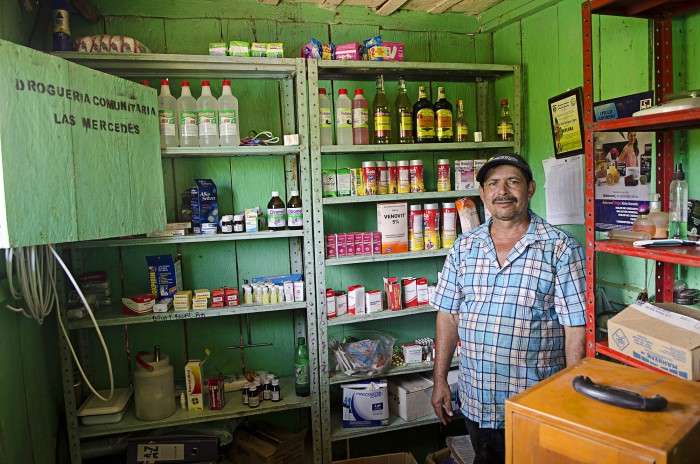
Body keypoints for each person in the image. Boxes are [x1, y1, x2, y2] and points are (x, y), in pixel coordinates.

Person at [430, 153, 586, 464]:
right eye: (493, 183)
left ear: (530, 189)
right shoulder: (464, 247)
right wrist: (440, 380)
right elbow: (447, 315)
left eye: (513, 182)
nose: (502, 191)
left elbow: (575, 328)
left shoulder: (561, 248)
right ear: (482, 193)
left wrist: (574, 396)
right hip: (477, 399)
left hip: (535, 402)